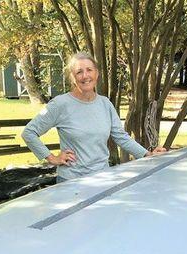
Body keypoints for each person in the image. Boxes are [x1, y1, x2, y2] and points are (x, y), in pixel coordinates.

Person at [22, 51, 166, 182]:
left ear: (97, 74)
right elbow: (29, 133)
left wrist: (147, 154)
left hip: (102, 178)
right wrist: (52, 158)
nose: (85, 76)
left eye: (89, 70)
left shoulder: (105, 104)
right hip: (71, 182)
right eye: (79, 72)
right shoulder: (60, 104)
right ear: (72, 78)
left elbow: (121, 137)